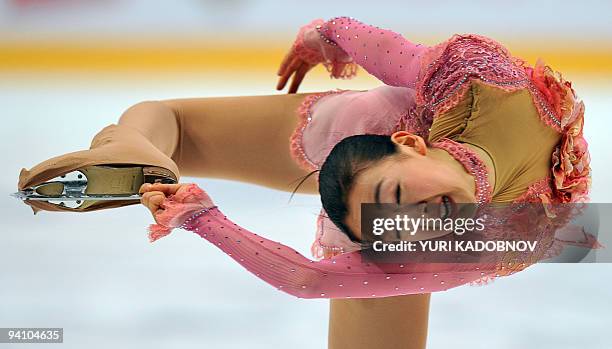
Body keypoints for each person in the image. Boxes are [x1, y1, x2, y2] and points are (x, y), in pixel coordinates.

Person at [16, 16, 591, 349]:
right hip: (369, 129)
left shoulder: (425, 235)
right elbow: (310, 279)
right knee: (176, 123)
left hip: (379, 152)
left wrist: (325, 32)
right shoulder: (484, 218)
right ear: (410, 142)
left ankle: (131, 140)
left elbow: (311, 278)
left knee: (176, 122)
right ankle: (126, 147)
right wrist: (199, 217)